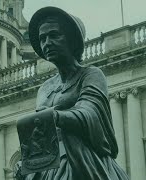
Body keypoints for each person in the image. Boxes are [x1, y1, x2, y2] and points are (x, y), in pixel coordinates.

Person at [16, 7, 129, 180]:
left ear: (71, 39)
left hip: (82, 159)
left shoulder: (90, 75)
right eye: (43, 38)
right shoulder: (44, 88)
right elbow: (40, 139)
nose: (47, 43)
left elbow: (90, 113)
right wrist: (28, 164)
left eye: (54, 35)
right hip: (49, 168)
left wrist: (57, 117)